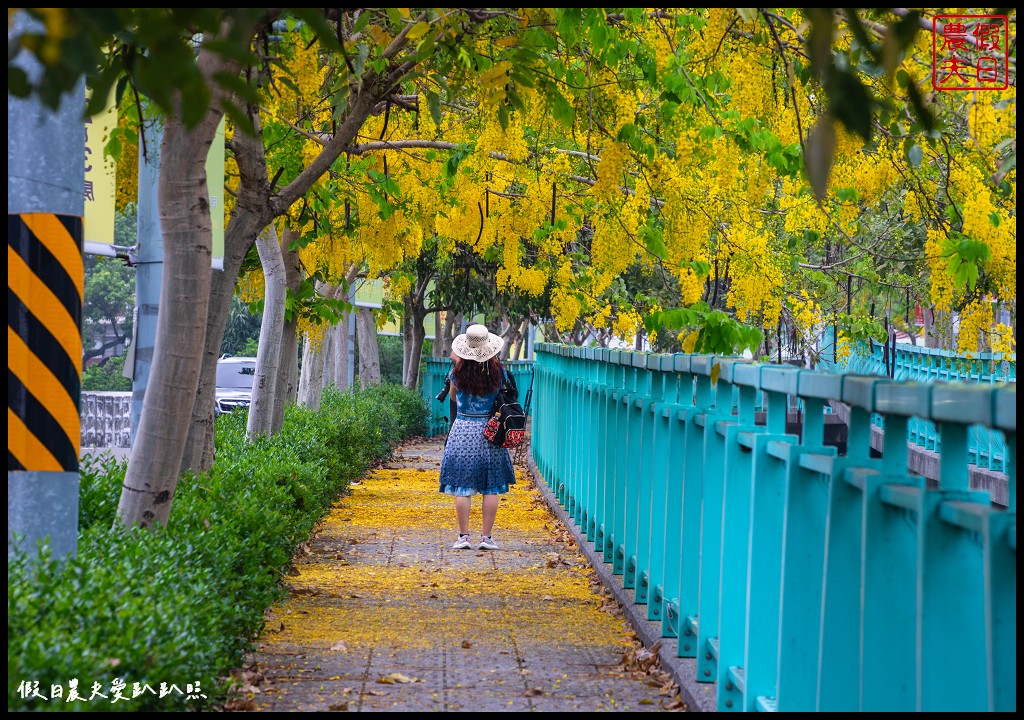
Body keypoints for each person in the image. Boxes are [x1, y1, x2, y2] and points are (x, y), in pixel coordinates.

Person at [439, 324, 516, 550]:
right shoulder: (498, 373)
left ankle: (463, 537)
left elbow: (453, 398)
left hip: (463, 429)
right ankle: (486, 538)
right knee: (491, 486)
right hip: (490, 431)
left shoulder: (456, 373)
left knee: (463, 486)